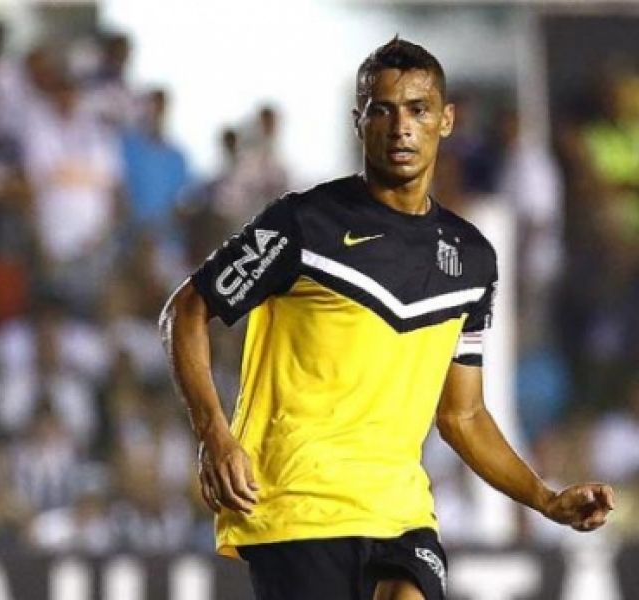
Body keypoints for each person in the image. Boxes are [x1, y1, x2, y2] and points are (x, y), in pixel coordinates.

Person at [159, 37, 615, 600]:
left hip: (401, 513)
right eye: (383, 110)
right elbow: (186, 311)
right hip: (297, 506)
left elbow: (463, 415)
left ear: (446, 120)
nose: (401, 127)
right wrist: (214, 433)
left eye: (418, 110)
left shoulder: (471, 259)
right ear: (359, 121)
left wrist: (544, 499)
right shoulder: (304, 225)